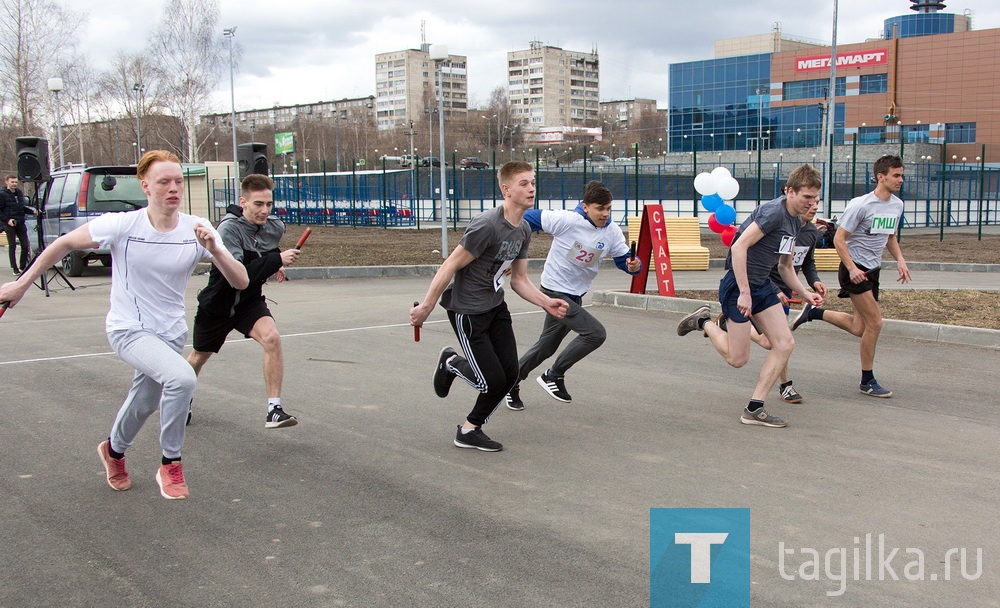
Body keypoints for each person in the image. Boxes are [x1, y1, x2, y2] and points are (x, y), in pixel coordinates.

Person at [0, 151, 249, 500]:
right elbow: (63, 243)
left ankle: (113, 452)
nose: (173, 188)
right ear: (146, 186)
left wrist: (216, 250)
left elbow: (240, 281)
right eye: (164, 182)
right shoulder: (123, 224)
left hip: (170, 333)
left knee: (146, 401)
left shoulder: (197, 228)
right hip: (128, 329)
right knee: (181, 378)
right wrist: (22, 284)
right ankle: (170, 465)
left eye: (178, 181)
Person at [409, 161, 569, 452]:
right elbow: (451, 264)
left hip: (495, 308)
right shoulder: (487, 224)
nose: (531, 188)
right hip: (469, 312)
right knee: (490, 380)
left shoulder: (523, 230)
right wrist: (427, 307)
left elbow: (519, 280)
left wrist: (547, 302)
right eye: (523, 183)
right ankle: (451, 363)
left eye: (533, 182)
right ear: (506, 189)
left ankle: (469, 430)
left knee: (509, 376)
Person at [676, 164, 824, 428]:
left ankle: (754, 408)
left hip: (762, 284)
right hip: (738, 285)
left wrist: (805, 292)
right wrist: (744, 292)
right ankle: (705, 322)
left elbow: (785, 266)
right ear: (790, 192)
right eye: (807, 197)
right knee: (738, 359)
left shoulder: (795, 221)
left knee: (783, 343)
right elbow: (739, 246)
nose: (812, 203)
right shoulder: (774, 213)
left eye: (816, 198)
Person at [504, 180, 641, 410]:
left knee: (546, 347)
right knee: (595, 334)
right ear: (586, 206)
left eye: (608, 209)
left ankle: (510, 382)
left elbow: (624, 260)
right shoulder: (567, 220)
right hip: (553, 291)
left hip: (575, 294)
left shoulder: (612, 231)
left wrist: (633, 265)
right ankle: (553, 375)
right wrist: (510, 254)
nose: (605, 214)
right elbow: (527, 218)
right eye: (600, 209)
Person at [790, 154, 911, 398]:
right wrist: (853, 268)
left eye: (901, 175)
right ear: (881, 176)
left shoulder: (897, 205)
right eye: (896, 175)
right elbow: (838, 238)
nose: (901, 179)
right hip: (854, 269)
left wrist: (900, 259)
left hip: (872, 269)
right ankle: (867, 380)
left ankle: (815, 313)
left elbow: (890, 236)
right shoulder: (861, 205)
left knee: (859, 327)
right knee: (875, 323)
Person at [186, 174, 301, 428]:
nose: (265, 210)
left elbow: (266, 253)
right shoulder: (228, 229)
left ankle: (274, 409)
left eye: (269, 204)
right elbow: (241, 276)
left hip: (249, 303)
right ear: (243, 202)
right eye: (258, 204)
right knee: (197, 358)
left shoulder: (275, 226)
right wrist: (276, 260)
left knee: (271, 338)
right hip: (219, 303)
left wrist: (276, 265)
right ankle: (181, 401)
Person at [736, 191, 828, 404]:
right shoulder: (777, 219)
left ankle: (734, 326)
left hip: (787, 288)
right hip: (768, 286)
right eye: (809, 201)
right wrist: (774, 289)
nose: (813, 207)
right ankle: (785, 385)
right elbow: (759, 261)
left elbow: (805, 263)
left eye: (817, 203)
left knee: (778, 342)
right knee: (778, 342)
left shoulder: (811, 232)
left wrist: (813, 283)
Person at [0, 174, 32, 275]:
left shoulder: (19, 193)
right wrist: (7, 220)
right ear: (7, 182)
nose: (14, 184)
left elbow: (22, 207)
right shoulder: (2, 194)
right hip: (10, 223)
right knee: (12, 245)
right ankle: (14, 268)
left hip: (20, 222)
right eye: (12, 182)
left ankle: (23, 266)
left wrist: (33, 211)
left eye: (15, 182)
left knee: (25, 245)